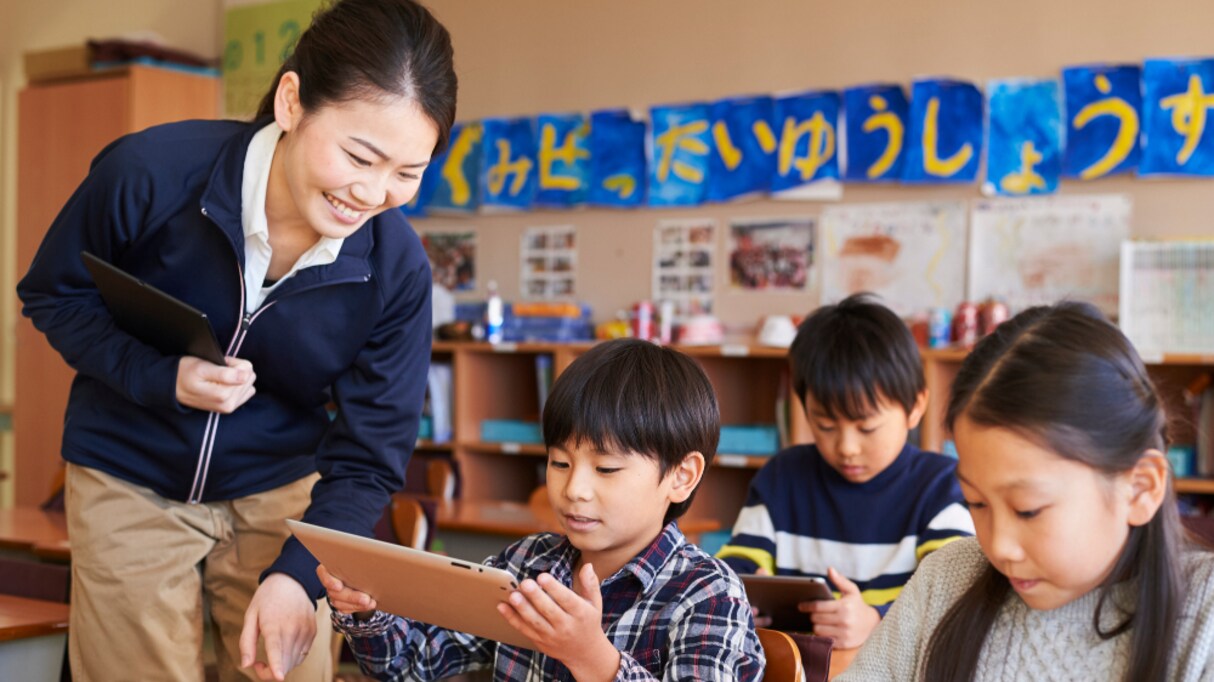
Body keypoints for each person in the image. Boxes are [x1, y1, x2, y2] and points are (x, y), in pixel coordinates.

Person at [15, 1, 457, 680]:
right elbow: (55, 293)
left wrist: (300, 574)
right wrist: (159, 377)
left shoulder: (395, 271)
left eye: (408, 172)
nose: (372, 193)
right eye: (359, 156)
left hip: (282, 488)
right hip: (128, 472)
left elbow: (369, 457)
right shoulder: (151, 174)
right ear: (291, 101)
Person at [320, 339, 765, 680]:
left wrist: (591, 656)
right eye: (559, 462)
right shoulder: (527, 564)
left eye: (606, 468)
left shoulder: (707, 593)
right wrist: (365, 609)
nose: (575, 489)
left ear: (681, 476)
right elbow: (412, 665)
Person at [837, 302, 1214, 681]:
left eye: (1028, 509)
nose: (998, 546)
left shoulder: (1205, 617)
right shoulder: (946, 580)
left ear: (1139, 489)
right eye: (976, 502)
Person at [717, 293, 973, 649]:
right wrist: (738, 598)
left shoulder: (941, 488)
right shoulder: (782, 478)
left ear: (915, 407)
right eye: (824, 425)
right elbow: (735, 566)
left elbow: (955, 600)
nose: (846, 447)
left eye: (866, 428)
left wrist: (877, 620)